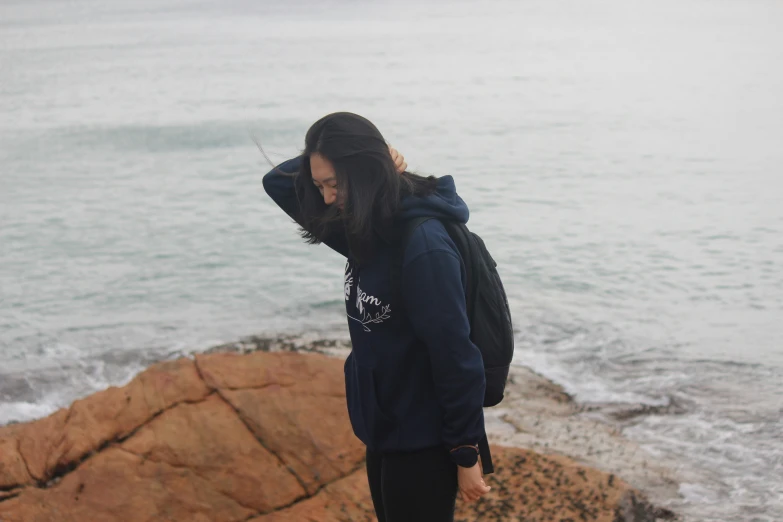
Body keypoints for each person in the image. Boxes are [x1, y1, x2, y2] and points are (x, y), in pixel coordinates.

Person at [262, 112, 491, 522]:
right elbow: (278, 182)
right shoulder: (365, 226)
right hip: (385, 425)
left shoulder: (423, 245)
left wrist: (465, 451)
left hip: (425, 440)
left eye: (334, 183)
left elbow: (455, 354)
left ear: (365, 170)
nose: (328, 197)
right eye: (319, 185)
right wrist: (362, 159)